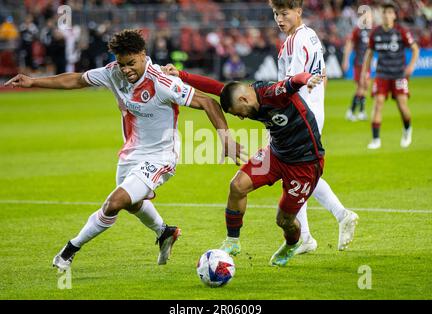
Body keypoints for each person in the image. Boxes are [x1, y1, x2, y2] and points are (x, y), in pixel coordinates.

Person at [4, 29, 244, 271]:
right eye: (121, 64)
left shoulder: (162, 82)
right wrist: (33, 81)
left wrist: (226, 138)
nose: (126, 69)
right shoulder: (113, 73)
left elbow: (208, 102)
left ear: (143, 54)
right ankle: (165, 232)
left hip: (161, 156)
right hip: (130, 153)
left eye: (131, 63)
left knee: (114, 203)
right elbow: (77, 79)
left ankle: (69, 251)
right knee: (131, 203)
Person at [163, 65, 325, 266]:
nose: (240, 117)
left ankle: (291, 244)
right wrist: (181, 75)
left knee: (284, 220)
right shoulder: (244, 96)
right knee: (237, 186)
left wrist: (308, 78)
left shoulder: (272, 94)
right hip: (275, 154)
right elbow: (216, 87)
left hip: (305, 163)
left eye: (237, 113)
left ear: (243, 100)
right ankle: (232, 242)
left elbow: (293, 81)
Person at [269, 0, 359, 254]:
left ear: (298, 11)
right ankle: (308, 235)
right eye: (276, 13)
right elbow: (320, 76)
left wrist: (279, 119)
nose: (279, 18)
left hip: (300, 116)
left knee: (296, 173)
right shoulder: (308, 36)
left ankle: (337, 217)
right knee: (297, 173)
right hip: (310, 113)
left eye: (284, 13)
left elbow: (292, 83)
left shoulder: (298, 40)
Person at [361, 1, 419, 150]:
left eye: (389, 13)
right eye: (384, 13)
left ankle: (407, 130)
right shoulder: (375, 32)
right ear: (381, 15)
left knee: (402, 106)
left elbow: (415, 49)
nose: (386, 16)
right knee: (378, 103)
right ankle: (375, 140)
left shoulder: (401, 31)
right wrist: (365, 74)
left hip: (399, 75)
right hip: (382, 74)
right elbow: (369, 53)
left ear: (394, 15)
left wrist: (411, 66)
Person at [342, 13, 373, 121]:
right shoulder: (358, 31)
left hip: (367, 64)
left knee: (365, 86)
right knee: (360, 87)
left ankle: (361, 112)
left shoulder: (371, 31)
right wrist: (345, 60)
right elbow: (349, 44)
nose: (369, 19)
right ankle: (351, 112)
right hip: (359, 63)